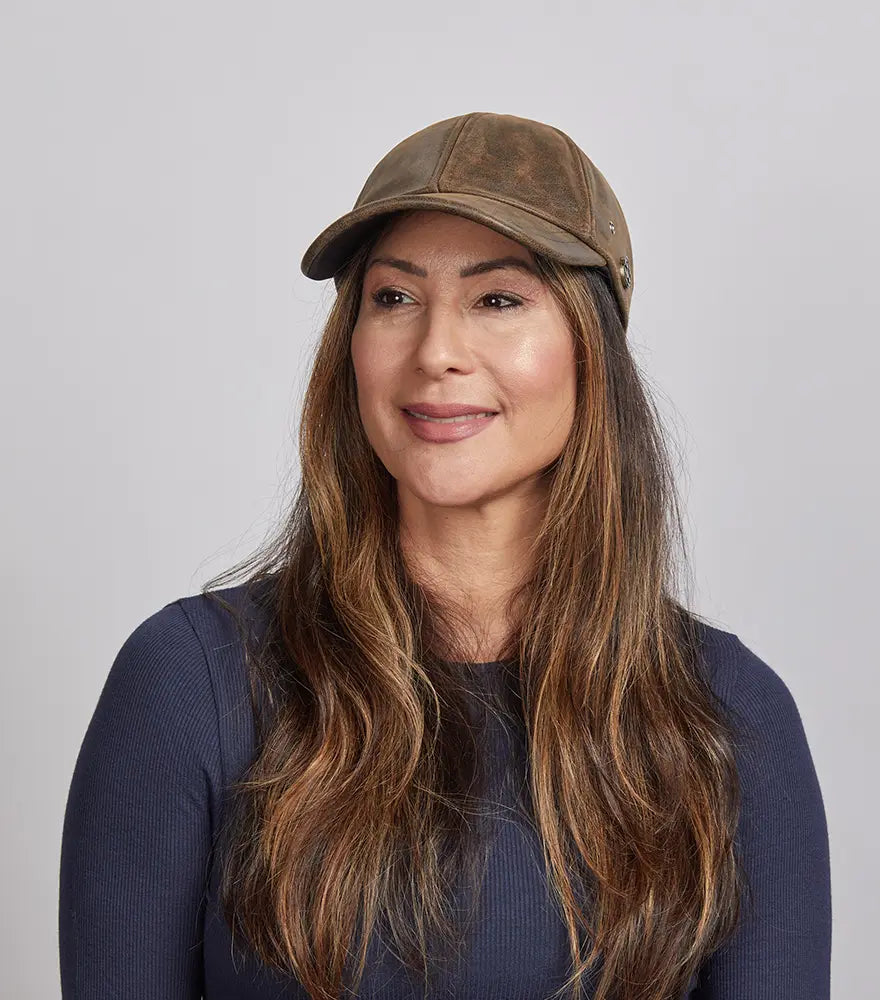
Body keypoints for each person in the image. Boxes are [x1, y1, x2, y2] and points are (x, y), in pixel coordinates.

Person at [58, 112, 831, 999]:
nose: (436, 353)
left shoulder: (729, 719)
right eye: (393, 299)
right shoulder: (191, 684)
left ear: (591, 347)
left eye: (498, 300)